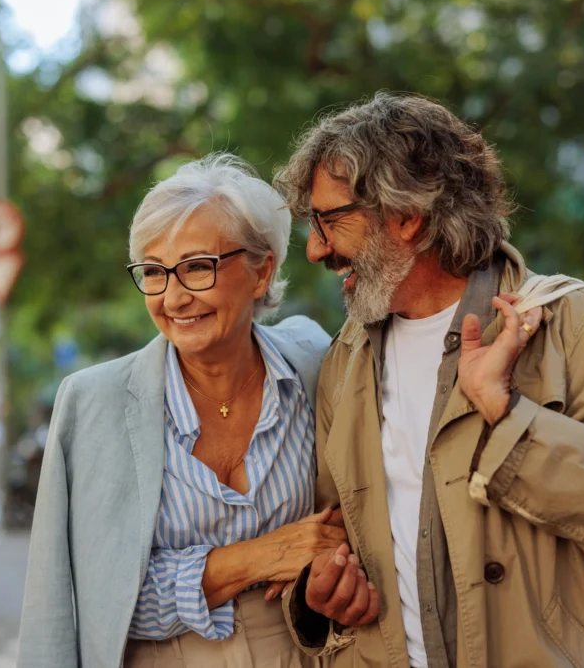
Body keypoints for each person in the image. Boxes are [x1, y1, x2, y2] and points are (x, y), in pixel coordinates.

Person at [273, 93, 584, 667]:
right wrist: (320, 595)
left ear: (407, 217)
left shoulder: (578, 323)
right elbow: (333, 539)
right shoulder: (345, 358)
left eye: (330, 219)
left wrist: (506, 413)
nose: (315, 248)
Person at [17, 154, 343, 668]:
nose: (173, 297)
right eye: (153, 272)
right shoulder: (91, 403)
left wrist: (331, 547)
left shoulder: (316, 362)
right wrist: (258, 556)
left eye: (197, 267)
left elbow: (362, 501)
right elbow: (93, 599)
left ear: (262, 271)